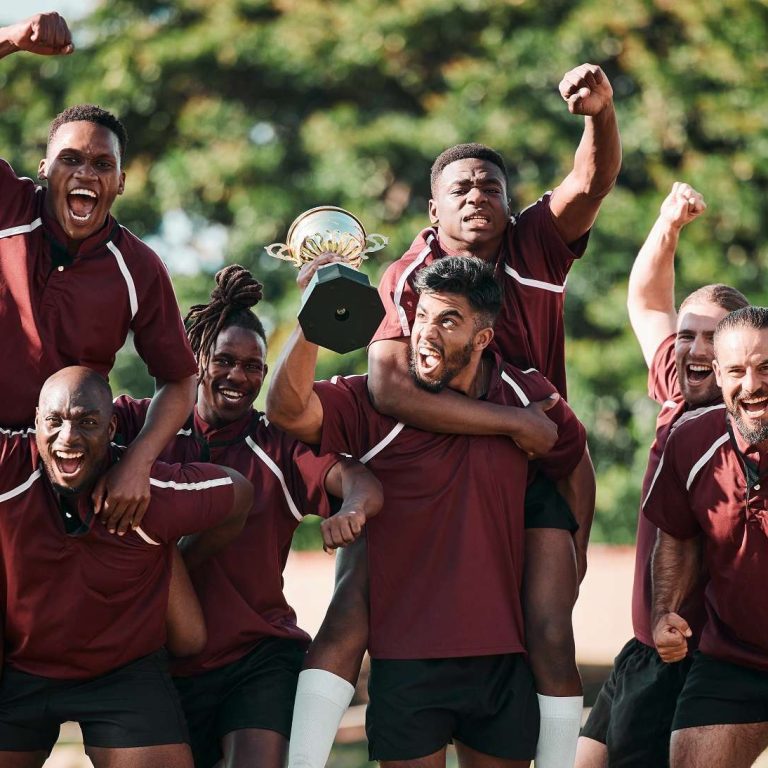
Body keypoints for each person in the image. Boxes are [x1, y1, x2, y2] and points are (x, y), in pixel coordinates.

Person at [287, 62, 620, 768]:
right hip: (431, 459)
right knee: (353, 608)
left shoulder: (536, 243)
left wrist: (599, 114)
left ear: (510, 202)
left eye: (491, 186)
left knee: (549, 631)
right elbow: (388, 391)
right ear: (432, 211)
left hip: (526, 464)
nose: (477, 196)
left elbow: (591, 183)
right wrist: (507, 424)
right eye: (459, 187)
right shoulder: (409, 276)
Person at [267, 256, 591, 768]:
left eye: (448, 321)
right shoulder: (373, 404)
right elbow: (285, 410)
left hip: (502, 664)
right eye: (421, 317)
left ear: (483, 338)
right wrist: (313, 321)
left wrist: (579, 553)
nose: (425, 333)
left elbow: (574, 463)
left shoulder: (528, 397)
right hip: (407, 664)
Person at [112, 264, 383, 768]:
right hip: (156, 662)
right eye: (225, 360)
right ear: (197, 358)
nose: (239, 375)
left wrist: (352, 509)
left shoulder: (275, 445)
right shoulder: (142, 423)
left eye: (254, 367)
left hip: (254, 658)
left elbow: (358, 481)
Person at [0, 12, 199, 536]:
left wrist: (136, 461)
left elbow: (179, 380)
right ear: (44, 170)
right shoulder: (8, 207)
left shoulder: (138, 266)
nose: (85, 173)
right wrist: (11, 39)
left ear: (121, 182)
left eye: (101, 164)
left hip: (62, 466)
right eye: (70, 159)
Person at [0, 366, 252, 768]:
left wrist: (176, 563)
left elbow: (239, 492)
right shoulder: (9, 468)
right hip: (21, 669)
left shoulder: (150, 492)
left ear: (112, 427)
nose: (68, 437)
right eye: (54, 420)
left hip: (121, 672)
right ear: (35, 422)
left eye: (87, 422)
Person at [575, 183, 748, 768]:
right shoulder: (678, 392)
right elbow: (647, 302)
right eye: (687, 335)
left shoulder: (743, 422)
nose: (691, 347)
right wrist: (668, 223)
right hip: (641, 649)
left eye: (710, 337)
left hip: (689, 655)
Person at [645, 306, 768, 768]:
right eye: (737, 370)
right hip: (734, 657)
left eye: (766, 368)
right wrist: (663, 615)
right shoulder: (690, 441)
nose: (752, 385)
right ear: (717, 374)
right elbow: (677, 539)